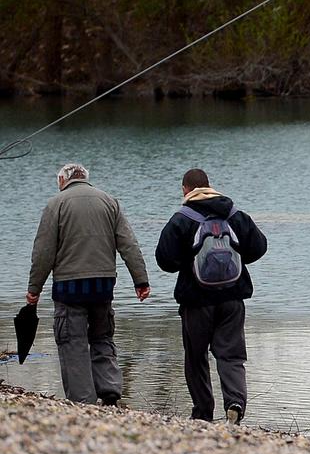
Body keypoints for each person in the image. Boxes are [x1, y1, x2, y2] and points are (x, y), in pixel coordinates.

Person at [27, 162, 151, 405]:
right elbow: (129, 244)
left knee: (72, 343)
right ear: (85, 178)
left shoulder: (55, 204)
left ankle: (83, 401)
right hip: (103, 287)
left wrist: (34, 289)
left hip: (69, 289)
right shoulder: (109, 201)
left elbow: (43, 252)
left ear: (62, 181)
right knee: (102, 336)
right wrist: (141, 280)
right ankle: (110, 391)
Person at [155, 168, 267, 423]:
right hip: (232, 297)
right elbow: (259, 247)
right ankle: (235, 403)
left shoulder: (181, 218)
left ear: (185, 189)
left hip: (196, 300)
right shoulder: (234, 214)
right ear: (210, 186)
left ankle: (203, 413)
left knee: (196, 358)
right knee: (232, 355)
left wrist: (190, 259)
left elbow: (165, 260)